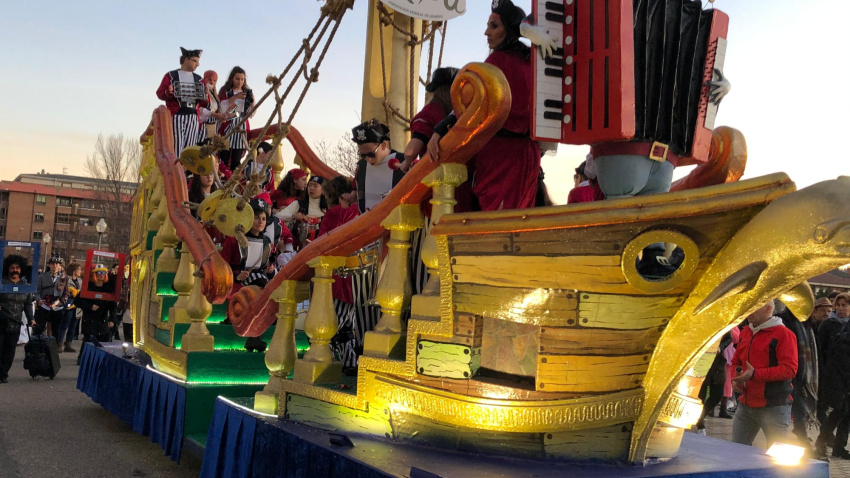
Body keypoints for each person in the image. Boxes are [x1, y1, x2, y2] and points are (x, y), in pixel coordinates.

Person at [427, 0, 542, 211]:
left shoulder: (494, 63)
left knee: (494, 220)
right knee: (520, 219)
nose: (486, 32)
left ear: (507, 30)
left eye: (493, 26)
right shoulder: (533, 63)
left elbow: (469, 105)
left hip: (499, 153)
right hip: (529, 152)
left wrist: (440, 129)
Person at [730, 300, 798, 448]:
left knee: (776, 457)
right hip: (746, 403)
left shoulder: (784, 334)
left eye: (753, 307)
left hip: (774, 405)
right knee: (735, 452)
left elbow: (789, 369)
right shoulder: (746, 332)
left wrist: (754, 374)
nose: (749, 311)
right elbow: (736, 361)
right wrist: (735, 379)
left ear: (768, 309)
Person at [318, 176, 362, 372]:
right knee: (348, 324)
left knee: (332, 321)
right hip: (359, 274)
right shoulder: (360, 212)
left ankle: (325, 359)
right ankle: (349, 362)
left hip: (337, 274)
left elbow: (322, 242)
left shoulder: (333, 213)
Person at [776, 300, 820, 454]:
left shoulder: (806, 324)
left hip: (802, 374)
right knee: (790, 407)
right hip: (787, 371)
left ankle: (803, 437)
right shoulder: (784, 320)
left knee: (800, 406)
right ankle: (802, 439)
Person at [156, 47, 208, 157]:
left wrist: (206, 95)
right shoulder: (171, 75)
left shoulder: (199, 79)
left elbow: (204, 103)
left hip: (193, 114)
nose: (197, 64)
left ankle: (186, 172)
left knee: (190, 148)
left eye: (198, 62)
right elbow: (160, 93)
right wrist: (168, 92)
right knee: (177, 147)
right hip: (177, 113)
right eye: (195, 61)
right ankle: (178, 171)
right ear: (186, 60)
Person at [815, 293, 850, 459]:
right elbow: (820, 352)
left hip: (847, 376)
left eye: (845, 305)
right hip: (834, 375)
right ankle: (821, 442)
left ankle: (839, 447)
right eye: (839, 305)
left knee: (846, 413)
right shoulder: (829, 324)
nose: (841, 308)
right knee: (837, 410)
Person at [350, 119, 405, 213]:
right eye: (363, 155)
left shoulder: (403, 161)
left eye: (371, 154)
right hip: (368, 223)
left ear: (383, 145)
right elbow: (357, 191)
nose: (368, 159)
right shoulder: (361, 167)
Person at [221, 197, 275, 291]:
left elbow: (267, 270)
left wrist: (270, 270)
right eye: (256, 217)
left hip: (261, 286)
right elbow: (222, 266)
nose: (260, 222)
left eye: (263, 219)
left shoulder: (267, 243)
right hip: (234, 287)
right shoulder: (234, 240)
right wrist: (236, 277)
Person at [0, 255, 35, 384]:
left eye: (17, 268)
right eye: (12, 267)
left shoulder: (25, 285)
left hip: (15, 323)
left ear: (22, 269)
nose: (15, 270)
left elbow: (28, 304)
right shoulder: (2, 283)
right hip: (1, 321)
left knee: (9, 351)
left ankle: (3, 374)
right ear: (7, 269)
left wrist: (31, 319)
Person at [74, 264, 117, 364]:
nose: (101, 275)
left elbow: (113, 306)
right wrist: (90, 307)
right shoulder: (88, 287)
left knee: (102, 340)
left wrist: (112, 319)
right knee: (88, 340)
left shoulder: (108, 288)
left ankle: (99, 360)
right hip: (89, 318)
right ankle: (83, 359)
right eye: (99, 272)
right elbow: (77, 301)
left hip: (102, 319)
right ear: (94, 274)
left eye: (103, 273)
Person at [218, 66, 254, 171]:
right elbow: (221, 107)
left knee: (236, 159)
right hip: (228, 124)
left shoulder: (248, 92)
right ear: (232, 79)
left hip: (241, 124)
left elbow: (251, 112)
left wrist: (251, 103)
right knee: (224, 154)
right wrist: (235, 98)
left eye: (242, 79)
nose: (239, 81)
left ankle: (233, 179)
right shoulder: (226, 91)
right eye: (237, 79)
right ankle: (223, 176)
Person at [696, 332, 733, 434]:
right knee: (700, 396)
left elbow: (728, 337)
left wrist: (721, 347)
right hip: (701, 361)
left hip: (717, 362)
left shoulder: (725, 321)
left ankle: (700, 417)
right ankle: (700, 424)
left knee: (717, 395)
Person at [276, 176, 328, 250]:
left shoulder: (327, 209)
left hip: (320, 249)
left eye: (315, 186)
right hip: (298, 249)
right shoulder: (299, 204)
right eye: (310, 185)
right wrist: (293, 216)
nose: (311, 188)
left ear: (323, 189)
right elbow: (277, 217)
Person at [35, 256, 65, 337]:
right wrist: (39, 300)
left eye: (57, 264)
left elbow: (66, 293)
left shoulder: (64, 278)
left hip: (58, 307)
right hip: (44, 305)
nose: (54, 266)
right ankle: (38, 346)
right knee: (39, 329)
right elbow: (37, 291)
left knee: (56, 331)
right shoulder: (42, 276)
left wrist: (61, 302)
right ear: (49, 265)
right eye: (52, 264)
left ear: (59, 266)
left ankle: (55, 347)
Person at [55, 263, 82, 353]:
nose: (80, 272)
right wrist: (70, 291)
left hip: (77, 305)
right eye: (79, 270)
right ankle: (59, 344)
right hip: (68, 303)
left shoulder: (80, 281)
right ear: (74, 270)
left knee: (73, 325)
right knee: (64, 324)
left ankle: (68, 344)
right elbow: (60, 289)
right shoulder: (66, 278)